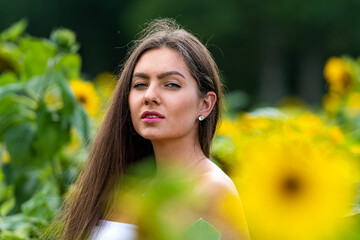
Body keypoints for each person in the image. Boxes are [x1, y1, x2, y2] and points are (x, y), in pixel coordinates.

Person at [56, 18, 249, 240]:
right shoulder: (126, 186)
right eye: (140, 84)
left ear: (205, 104)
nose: (149, 96)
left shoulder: (212, 189)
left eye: (171, 84)